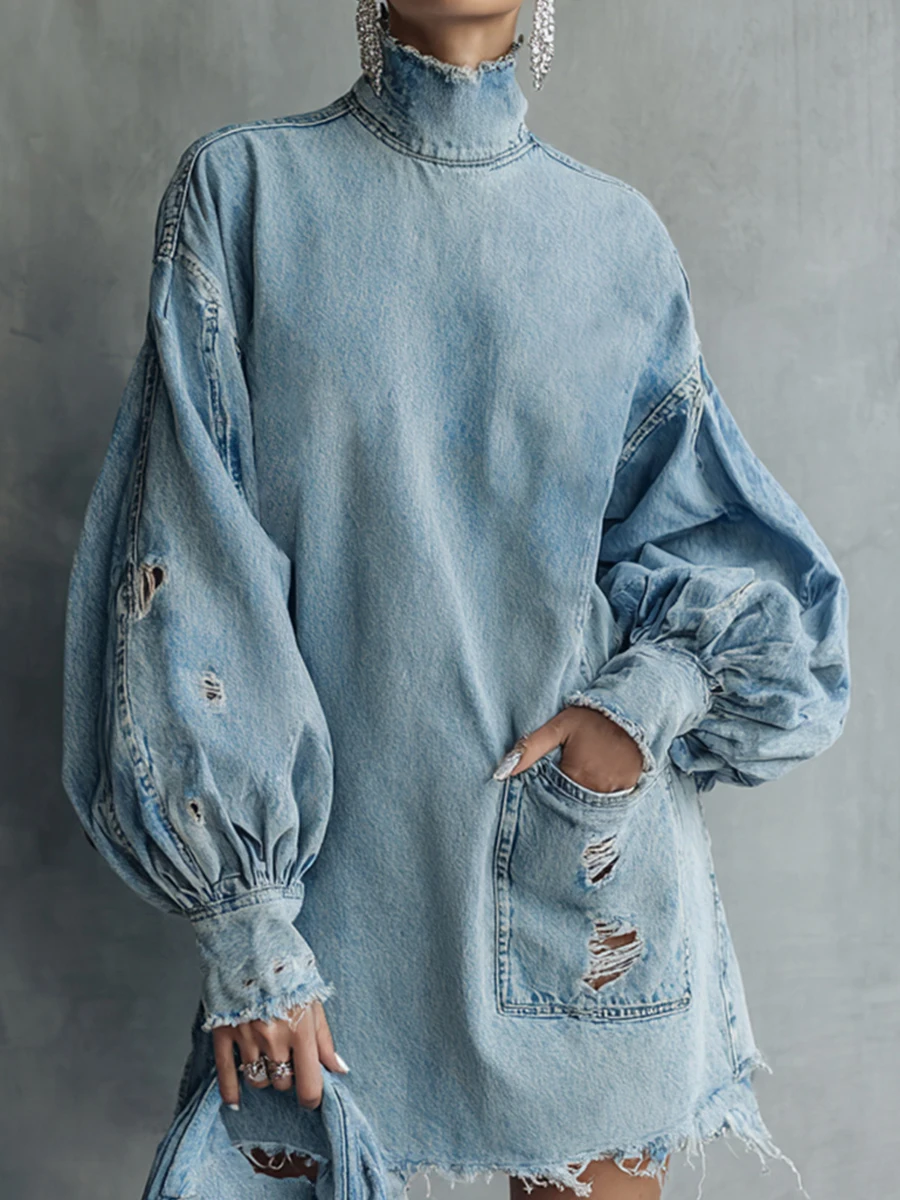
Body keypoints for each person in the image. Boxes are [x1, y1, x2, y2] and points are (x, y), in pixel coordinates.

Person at [60, 2, 851, 1199]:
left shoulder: (614, 238)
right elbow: (189, 567)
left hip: (583, 895)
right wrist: (250, 922)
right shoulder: (247, 193)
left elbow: (734, 566)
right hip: (330, 922)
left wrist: (638, 705)